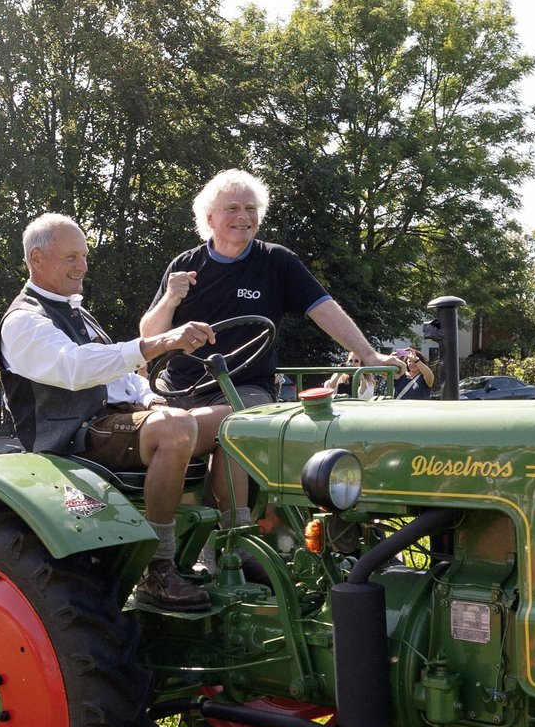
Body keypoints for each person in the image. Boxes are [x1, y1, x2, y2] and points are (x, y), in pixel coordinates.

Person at [139, 169, 404, 533]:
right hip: (179, 389)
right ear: (210, 218)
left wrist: (370, 356)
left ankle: (237, 539)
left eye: (251, 208)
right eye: (232, 208)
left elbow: (324, 309)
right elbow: (149, 339)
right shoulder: (185, 266)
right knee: (180, 430)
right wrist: (171, 298)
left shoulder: (276, 261)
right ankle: (177, 547)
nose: (244, 217)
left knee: (235, 426)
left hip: (245, 387)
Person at [0, 213, 218, 612]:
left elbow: (121, 376)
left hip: (117, 418)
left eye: (83, 255)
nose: (82, 266)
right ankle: (159, 566)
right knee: (175, 430)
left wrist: (150, 398)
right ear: (37, 259)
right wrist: (159, 342)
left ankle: (228, 543)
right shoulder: (24, 321)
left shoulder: (76, 312)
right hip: (72, 435)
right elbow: (77, 368)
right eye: (70, 258)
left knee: (233, 420)